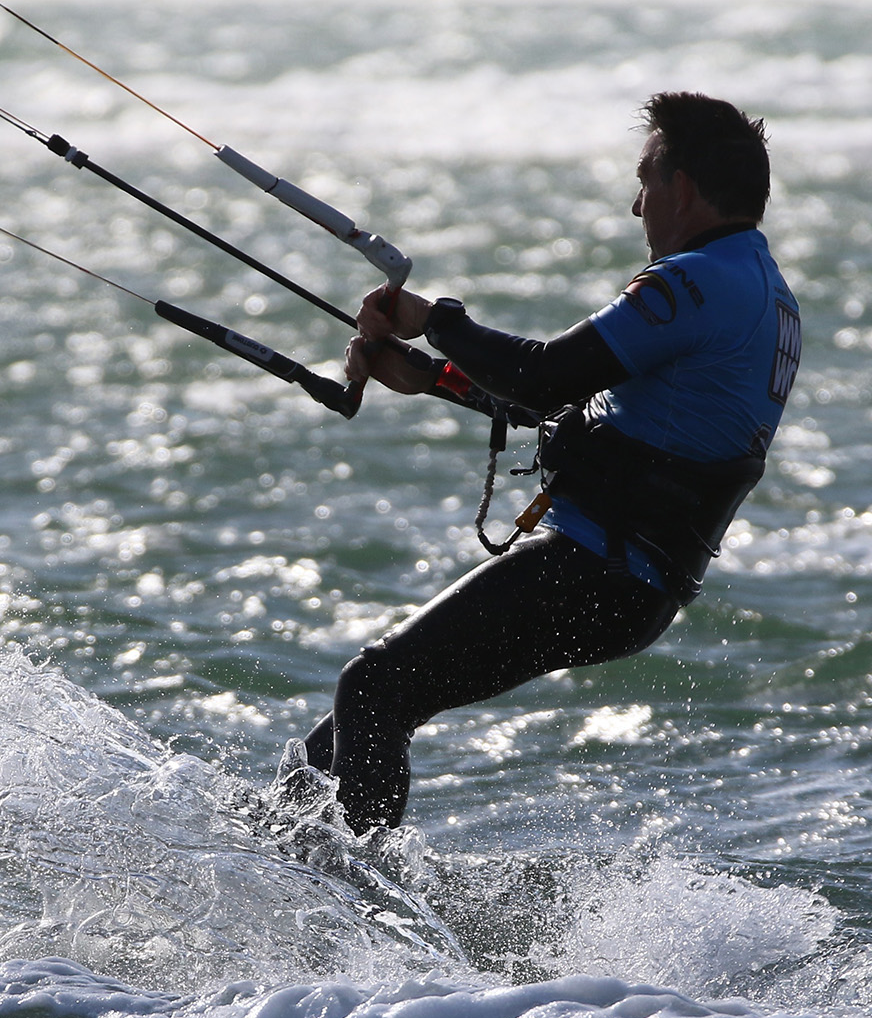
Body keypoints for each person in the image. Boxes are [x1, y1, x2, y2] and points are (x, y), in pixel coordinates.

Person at [299, 91, 802, 835]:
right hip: (629, 582)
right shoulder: (761, 290)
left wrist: (435, 320)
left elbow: (543, 376)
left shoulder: (696, 282)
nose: (637, 205)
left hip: (598, 569)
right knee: (342, 736)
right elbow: (600, 414)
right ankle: (272, 863)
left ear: (683, 187)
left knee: (372, 687)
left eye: (645, 180)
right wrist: (433, 377)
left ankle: (355, 899)